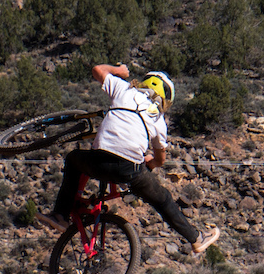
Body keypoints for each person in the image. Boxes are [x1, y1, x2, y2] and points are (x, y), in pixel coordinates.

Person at [37, 63, 220, 257]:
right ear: (166, 99)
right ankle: (196, 239)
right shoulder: (159, 120)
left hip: (97, 161)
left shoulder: (124, 89)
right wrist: (151, 162)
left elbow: (97, 70)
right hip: (129, 169)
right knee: (163, 200)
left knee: (74, 159)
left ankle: (60, 215)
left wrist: (119, 72)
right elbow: (161, 158)